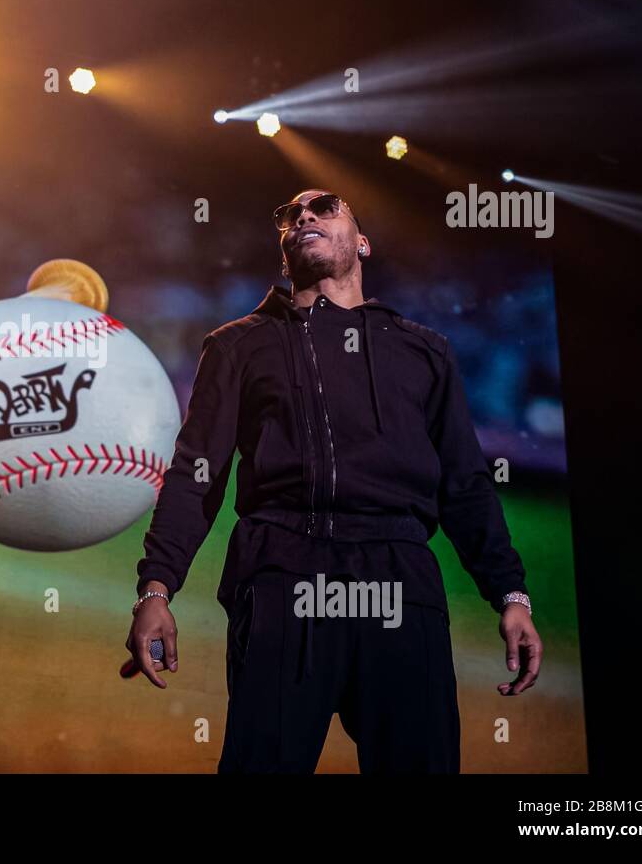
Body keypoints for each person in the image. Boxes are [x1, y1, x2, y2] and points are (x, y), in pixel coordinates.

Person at [122, 189, 543, 773]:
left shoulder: (425, 351)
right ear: (284, 250)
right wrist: (156, 587)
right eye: (291, 216)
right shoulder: (235, 346)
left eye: (325, 207)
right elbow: (197, 476)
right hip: (280, 579)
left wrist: (511, 595)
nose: (304, 216)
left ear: (362, 242)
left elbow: (466, 485)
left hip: (401, 585)